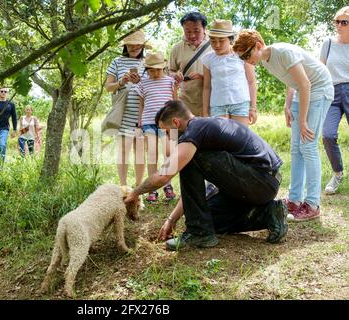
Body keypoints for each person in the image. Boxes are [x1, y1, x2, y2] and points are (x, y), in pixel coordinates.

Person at [124, 100, 287, 251]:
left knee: (190, 159)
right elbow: (196, 192)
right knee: (208, 218)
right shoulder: (202, 128)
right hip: (261, 183)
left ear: (176, 122)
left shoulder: (193, 132)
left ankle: (199, 234)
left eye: (167, 132)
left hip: (260, 180)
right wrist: (172, 219)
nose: (167, 138)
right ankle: (268, 214)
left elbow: (163, 175)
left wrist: (135, 192)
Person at [233, 30, 334, 222]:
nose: (246, 60)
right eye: (242, 58)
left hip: (319, 88)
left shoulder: (283, 52)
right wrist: (288, 106)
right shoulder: (266, 60)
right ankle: (295, 200)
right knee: (296, 149)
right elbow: (293, 82)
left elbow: (305, 84)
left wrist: (303, 120)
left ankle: (313, 204)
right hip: (301, 92)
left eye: (247, 54)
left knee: (308, 146)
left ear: (258, 46)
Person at [105, 30, 149, 189]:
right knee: (123, 152)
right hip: (123, 114)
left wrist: (140, 83)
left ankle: (139, 187)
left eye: (138, 45)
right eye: (131, 45)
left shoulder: (149, 62)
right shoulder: (117, 62)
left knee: (139, 152)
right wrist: (121, 82)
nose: (135, 47)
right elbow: (108, 87)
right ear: (126, 45)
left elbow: (155, 85)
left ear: (143, 45)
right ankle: (123, 187)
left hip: (143, 114)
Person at [136, 52, 177, 202]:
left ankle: (167, 184)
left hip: (167, 123)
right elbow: (141, 104)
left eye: (158, 69)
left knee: (168, 153)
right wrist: (140, 122)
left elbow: (175, 102)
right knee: (152, 154)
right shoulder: (143, 83)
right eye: (151, 70)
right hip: (148, 122)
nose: (155, 72)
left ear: (164, 68)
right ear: (147, 69)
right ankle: (152, 188)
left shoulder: (170, 82)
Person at [202, 20, 257, 125]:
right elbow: (206, 87)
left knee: (240, 138)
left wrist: (253, 108)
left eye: (221, 40)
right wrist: (205, 112)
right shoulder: (207, 59)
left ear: (230, 39)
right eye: (213, 41)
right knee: (220, 140)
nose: (217, 45)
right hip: (218, 105)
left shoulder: (242, 54)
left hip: (240, 103)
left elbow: (251, 82)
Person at [320, 6, 349, 195]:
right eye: (336, 21)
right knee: (328, 134)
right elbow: (320, 69)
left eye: (343, 22)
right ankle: (338, 173)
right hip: (331, 92)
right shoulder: (328, 43)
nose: (338, 25)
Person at [169, 12, 211, 116]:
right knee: (186, 131)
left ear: (204, 28)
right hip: (186, 102)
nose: (192, 35)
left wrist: (203, 77)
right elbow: (170, 71)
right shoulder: (177, 48)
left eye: (196, 31)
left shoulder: (215, 44)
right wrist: (175, 75)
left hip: (211, 100)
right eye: (187, 31)